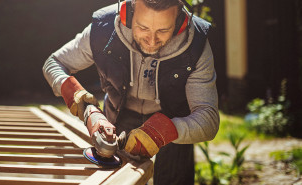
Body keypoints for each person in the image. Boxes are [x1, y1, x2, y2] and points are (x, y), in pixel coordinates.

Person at [43, 0, 219, 184]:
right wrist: (85, 106)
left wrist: (166, 131)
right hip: (118, 114)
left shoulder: (195, 45)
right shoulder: (103, 29)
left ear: (180, 22)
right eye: (143, 27)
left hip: (173, 121)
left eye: (163, 30)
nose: (152, 41)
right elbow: (53, 63)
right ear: (127, 14)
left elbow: (209, 120)